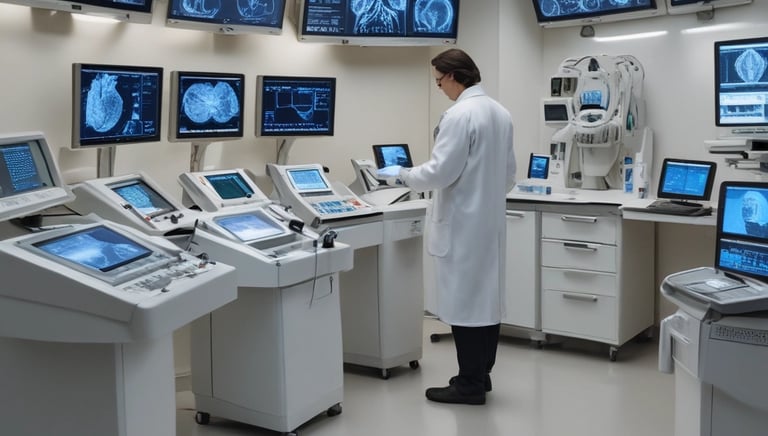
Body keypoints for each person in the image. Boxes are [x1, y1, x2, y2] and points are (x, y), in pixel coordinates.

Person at [377, 48, 516, 405]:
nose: (439, 88)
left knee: (466, 305)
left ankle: (469, 385)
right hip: (487, 224)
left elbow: (440, 172)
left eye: (439, 81)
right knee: (485, 303)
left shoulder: (459, 115)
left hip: (463, 227)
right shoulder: (500, 113)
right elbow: (509, 175)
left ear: (454, 76)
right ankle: (480, 374)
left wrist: (400, 175)